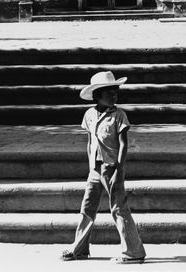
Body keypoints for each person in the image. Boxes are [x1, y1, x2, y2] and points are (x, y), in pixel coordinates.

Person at [61, 71, 146, 265]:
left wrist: (119, 169)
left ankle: (134, 251)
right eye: (109, 92)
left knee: (119, 209)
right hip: (95, 169)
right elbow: (90, 141)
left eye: (115, 92)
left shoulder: (119, 115)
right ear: (98, 95)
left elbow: (124, 144)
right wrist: (91, 166)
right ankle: (79, 248)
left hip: (112, 168)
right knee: (87, 207)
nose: (114, 96)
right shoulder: (89, 114)